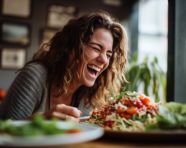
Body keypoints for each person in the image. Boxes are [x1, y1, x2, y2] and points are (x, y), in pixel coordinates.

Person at [0, 11, 128, 121]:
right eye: (96, 48)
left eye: (109, 54)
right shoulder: (34, 75)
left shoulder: (89, 95)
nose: (104, 60)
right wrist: (40, 121)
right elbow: (4, 132)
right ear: (71, 48)